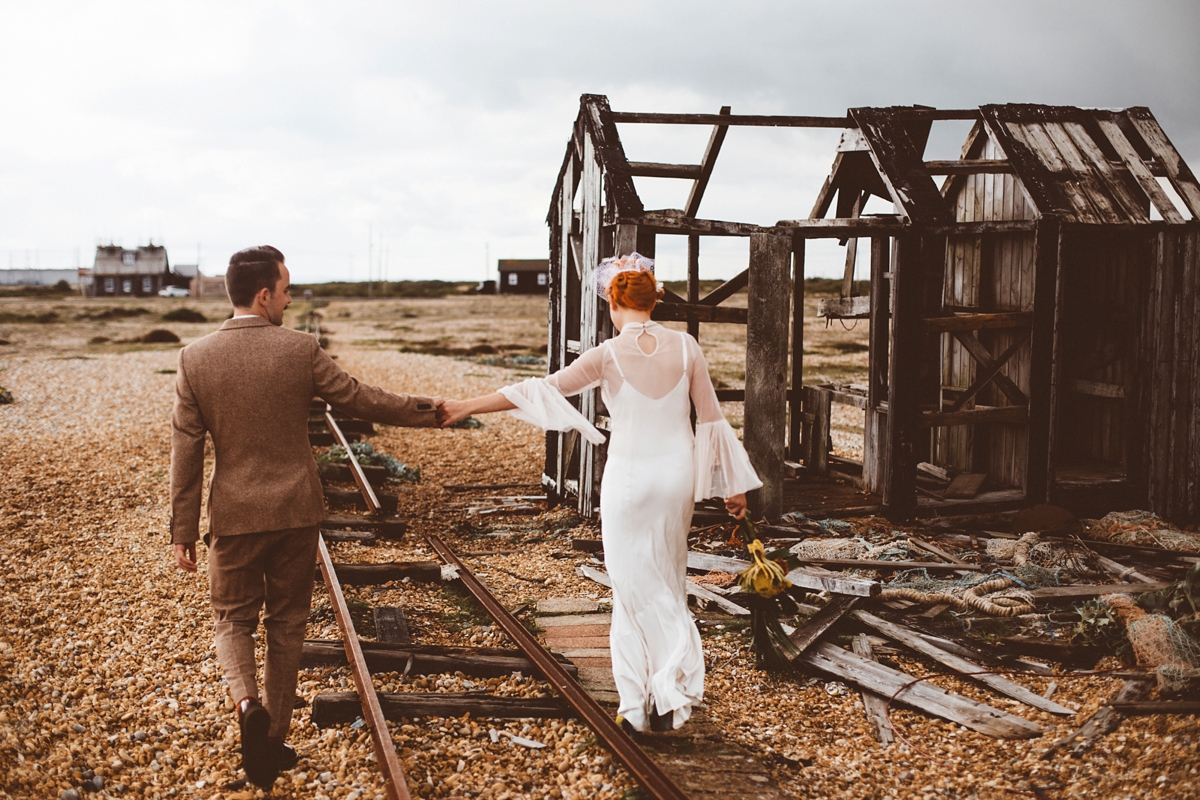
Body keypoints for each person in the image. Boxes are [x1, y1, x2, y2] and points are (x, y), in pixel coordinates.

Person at [439, 254, 761, 732]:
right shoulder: (688, 346)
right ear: (655, 300)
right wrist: (734, 488)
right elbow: (712, 420)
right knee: (667, 577)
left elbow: (540, 390)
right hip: (677, 478)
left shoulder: (606, 355)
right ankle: (667, 693)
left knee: (631, 584)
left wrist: (467, 405)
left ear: (614, 301)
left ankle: (637, 702)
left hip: (628, 479)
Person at [169, 246, 442, 787]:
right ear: (264, 294)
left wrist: (182, 531)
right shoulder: (299, 350)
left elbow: (186, 451)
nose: (291, 301)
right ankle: (273, 742)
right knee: (288, 624)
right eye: (287, 290)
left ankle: (248, 706)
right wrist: (428, 410)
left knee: (233, 621)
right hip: (295, 513)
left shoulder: (195, 358)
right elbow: (360, 399)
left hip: (234, 517)